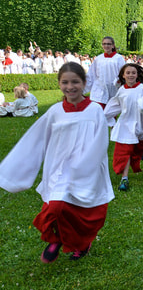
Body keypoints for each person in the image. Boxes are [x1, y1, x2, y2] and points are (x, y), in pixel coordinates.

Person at [0, 62, 114, 263]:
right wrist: (16, 169)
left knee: (81, 210)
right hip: (60, 169)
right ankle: (57, 239)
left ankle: (81, 242)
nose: (70, 87)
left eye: (75, 82)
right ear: (59, 84)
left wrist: (86, 164)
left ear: (84, 83)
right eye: (65, 82)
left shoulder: (95, 110)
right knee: (55, 207)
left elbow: (100, 140)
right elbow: (35, 139)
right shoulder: (54, 111)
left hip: (87, 168)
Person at [105, 63, 143, 191]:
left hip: (139, 123)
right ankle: (124, 178)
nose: (131, 75)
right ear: (123, 75)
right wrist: (104, 116)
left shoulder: (142, 89)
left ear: (137, 74)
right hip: (125, 124)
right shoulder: (121, 90)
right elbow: (116, 105)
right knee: (125, 150)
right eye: (128, 73)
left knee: (138, 147)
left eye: (133, 73)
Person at [85, 36, 126, 108]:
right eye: (104, 44)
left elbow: (123, 73)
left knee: (111, 115)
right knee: (99, 113)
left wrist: (119, 82)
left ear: (113, 45)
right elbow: (91, 75)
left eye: (108, 44)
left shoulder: (118, 58)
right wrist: (83, 88)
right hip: (99, 90)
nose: (106, 46)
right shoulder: (98, 59)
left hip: (113, 90)